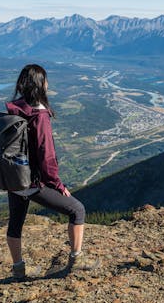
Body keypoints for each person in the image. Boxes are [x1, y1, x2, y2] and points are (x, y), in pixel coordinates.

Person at [5, 64, 98, 279]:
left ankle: (18, 269)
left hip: (14, 179)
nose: (48, 84)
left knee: (15, 223)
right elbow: (47, 159)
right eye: (45, 80)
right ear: (40, 85)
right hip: (33, 182)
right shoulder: (40, 116)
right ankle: (76, 260)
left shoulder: (15, 108)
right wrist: (58, 186)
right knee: (77, 210)